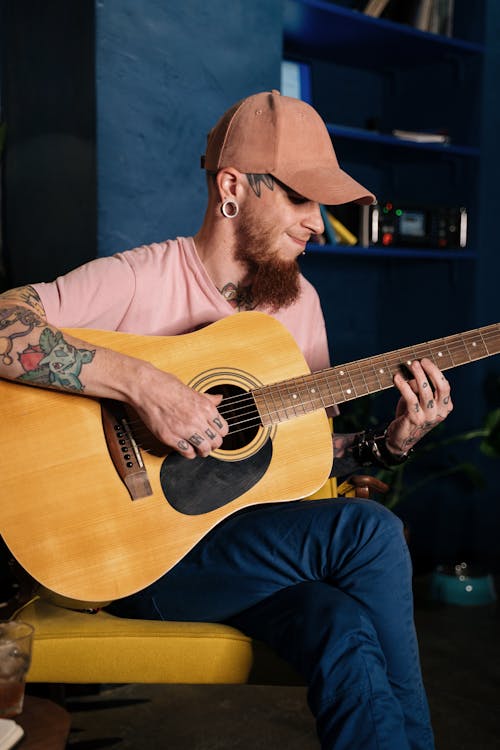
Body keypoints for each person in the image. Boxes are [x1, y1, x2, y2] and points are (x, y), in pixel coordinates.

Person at [0, 90, 452, 749]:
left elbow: (306, 458)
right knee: (371, 532)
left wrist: (389, 443)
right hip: (135, 556)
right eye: (302, 199)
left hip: (248, 552)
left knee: (341, 628)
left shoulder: (301, 305)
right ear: (234, 188)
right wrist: (140, 383)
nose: (318, 225)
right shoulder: (142, 277)